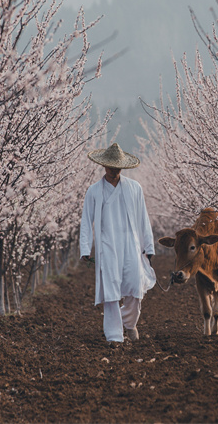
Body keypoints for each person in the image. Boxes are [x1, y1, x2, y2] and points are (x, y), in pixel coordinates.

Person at [80, 143, 156, 345]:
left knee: (135, 288)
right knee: (111, 290)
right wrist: (85, 248)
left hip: (131, 244)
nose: (114, 170)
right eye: (110, 166)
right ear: (104, 166)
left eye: (117, 167)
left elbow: (143, 218)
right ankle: (114, 336)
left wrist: (148, 247)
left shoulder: (134, 188)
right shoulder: (94, 191)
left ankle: (128, 323)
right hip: (108, 246)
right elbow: (87, 221)